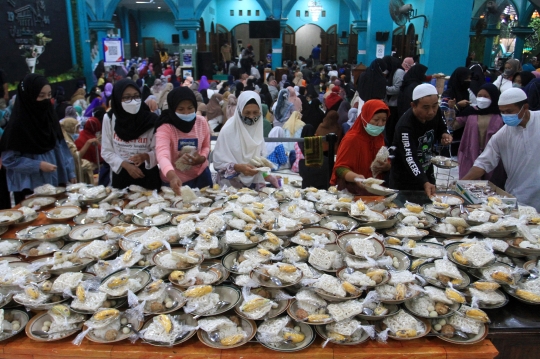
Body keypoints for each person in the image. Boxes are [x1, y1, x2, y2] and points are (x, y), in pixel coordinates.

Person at [0, 74, 76, 204]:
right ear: (28, 97)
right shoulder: (17, 126)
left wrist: (70, 172)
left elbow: (61, 147)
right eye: (41, 96)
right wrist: (38, 165)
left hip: (56, 182)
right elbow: (9, 160)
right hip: (30, 190)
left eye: (49, 95)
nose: (46, 100)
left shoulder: (50, 119)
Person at [462, 88, 540, 211]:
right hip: (519, 198)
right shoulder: (502, 135)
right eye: (502, 112)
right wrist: (461, 184)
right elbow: (483, 163)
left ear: (525, 107)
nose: (506, 116)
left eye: (509, 111)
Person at [390, 84, 452, 196]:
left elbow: (441, 126)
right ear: (413, 105)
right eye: (426, 107)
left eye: (434, 106)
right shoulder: (405, 126)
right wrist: (424, 181)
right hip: (405, 179)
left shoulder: (436, 112)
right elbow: (410, 158)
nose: (431, 111)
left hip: (427, 171)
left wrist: (444, 134)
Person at [101, 79, 161, 190]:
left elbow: (159, 150)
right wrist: (126, 165)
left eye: (136, 96)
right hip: (121, 173)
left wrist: (145, 156)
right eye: (127, 97)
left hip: (147, 174)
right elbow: (106, 150)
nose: (133, 101)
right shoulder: (109, 118)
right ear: (118, 98)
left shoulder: (151, 120)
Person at [213, 91, 280, 189]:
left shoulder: (257, 129)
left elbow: (259, 160)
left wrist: (267, 176)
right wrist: (238, 168)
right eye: (247, 113)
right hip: (230, 188)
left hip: (253, 187)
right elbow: (218, 164)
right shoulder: (228, 130)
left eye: (255, 112)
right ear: (239, 111)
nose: (252, 117)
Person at [155, 87, 211, 193]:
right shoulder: (165, 128)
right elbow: (162, 155)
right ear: (173, 108)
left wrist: (202, 158)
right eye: (181, 109)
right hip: (175, 180)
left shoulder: (201, 122)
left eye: (190, 108)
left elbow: (206, 145)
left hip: (201, 176)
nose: (186, 113)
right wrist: (172, 176)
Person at [331, 99, 391, 194]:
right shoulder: (352, 139)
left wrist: (386, 166)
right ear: (365, 118)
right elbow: (340, 168)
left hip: (375, 192)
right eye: (376, 120)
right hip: (352, 193)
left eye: (384, 120)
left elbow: (383, 159)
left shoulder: (379, 138)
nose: (380, 124)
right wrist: (356, 177)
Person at [452, 83, 506, 188]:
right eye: (479, 96)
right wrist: (453, 108)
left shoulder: (500, 115)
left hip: (492, 155)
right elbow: (453, 125)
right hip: (470, 153)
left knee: (490, 187)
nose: (481, 99)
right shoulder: (471, 112)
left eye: (486, 96)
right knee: (468, 184)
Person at [60, 117, 95, 184]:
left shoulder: (68, 139)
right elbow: (76, 156)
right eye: (77, 129)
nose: (78, 132)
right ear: (71, 128)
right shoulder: (67, 142)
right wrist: (88, 143)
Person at [384, 56, 405, 145]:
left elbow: (397, 88)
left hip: (395, 105)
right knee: (388, 129)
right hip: (389, 104)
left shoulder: (399, 72)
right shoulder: (390, 72)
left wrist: (383, 87)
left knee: (391, 129)